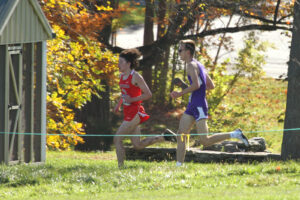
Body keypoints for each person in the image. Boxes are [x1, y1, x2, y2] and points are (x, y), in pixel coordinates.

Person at [170, 39, 249, 167]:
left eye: (180, 50)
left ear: (188, 52)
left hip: (199, 105)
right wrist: (188, 87)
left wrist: (180, 93)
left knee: (205, 140)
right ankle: (179, 166)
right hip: (193, 105)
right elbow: (210, 85)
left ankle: (235, 134)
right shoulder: (198, 64)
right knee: (181, 133)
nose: (179, 53)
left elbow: (196, 85)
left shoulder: (190, 65)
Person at [114, 48, 175, 168]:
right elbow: (124, 93)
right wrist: (119, 104)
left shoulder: (136, 77)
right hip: (128, 112)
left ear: (128, 63)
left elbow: (148, 94)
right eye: (118, 61)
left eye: (121, 62)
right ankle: (164, 137)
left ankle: (120, 168)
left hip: (134, 113)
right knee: (138, 145)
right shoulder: (122, 76)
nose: (118, 64)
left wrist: (131, 100)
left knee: (117, 139)